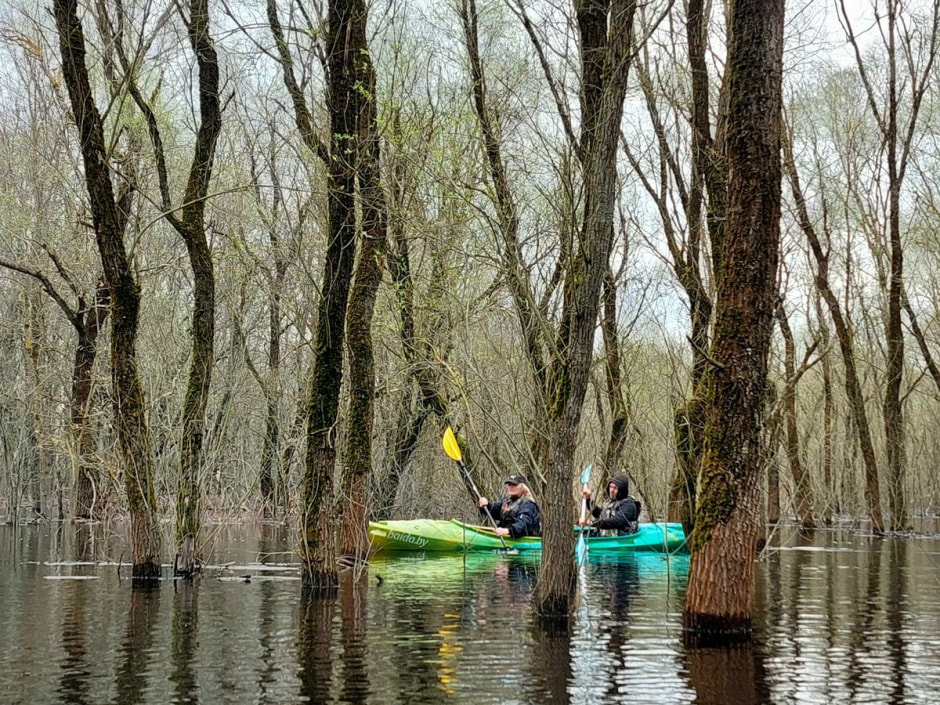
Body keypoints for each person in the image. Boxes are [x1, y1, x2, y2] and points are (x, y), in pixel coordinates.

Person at [478, 473, 542, 538]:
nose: (511, 487)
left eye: (515, 484)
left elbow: (523, 524)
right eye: (509, 484)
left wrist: (507, 531)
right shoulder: (506, 501)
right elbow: (493, 509)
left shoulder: (528, 505)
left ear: (523, 487)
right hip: (505, 537)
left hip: (524, 541)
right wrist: (486, 505)